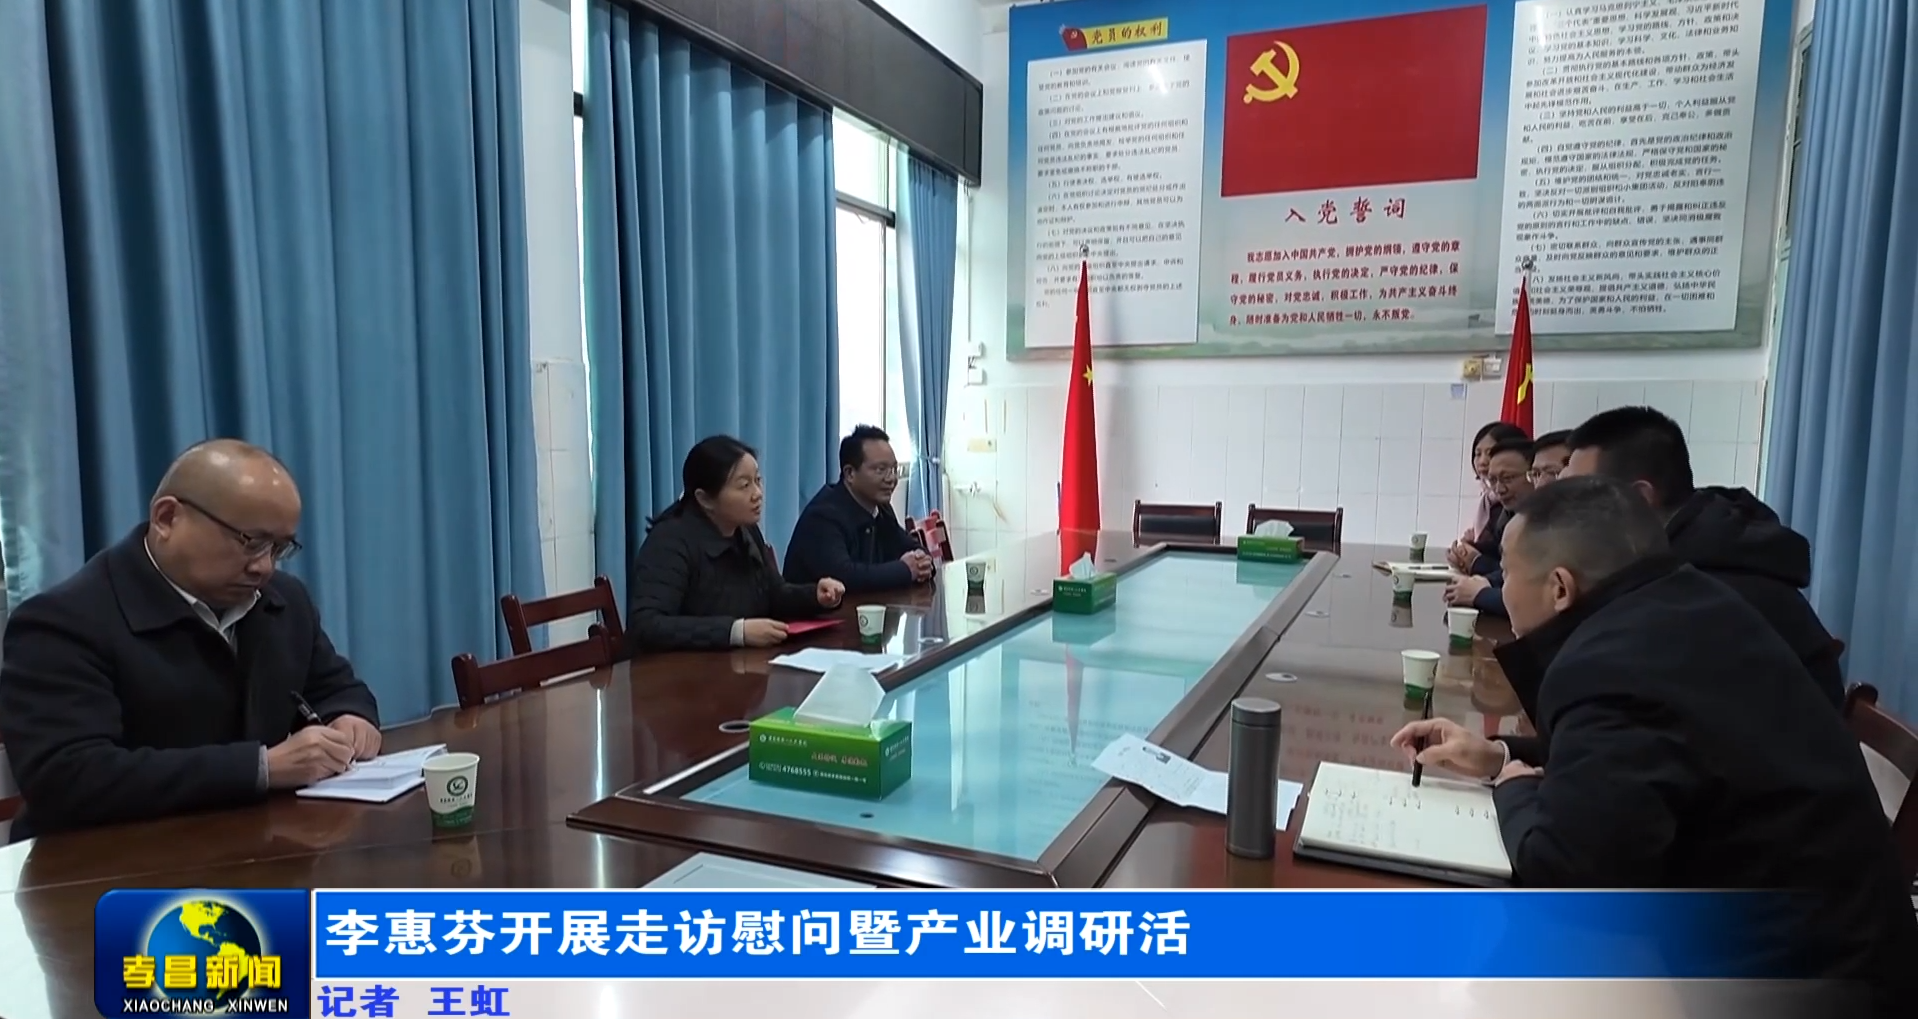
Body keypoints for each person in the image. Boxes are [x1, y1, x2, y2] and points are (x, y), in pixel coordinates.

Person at [1392, 477, 1918, 1014]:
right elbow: (1657, 756)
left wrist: (1513, 791)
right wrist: (1502, 756)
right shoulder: (1688, 604)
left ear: (1559, 588)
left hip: (1793, 982)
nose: (1501, 590)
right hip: (1835, 943)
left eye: (1507, 574)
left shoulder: (1606, 663)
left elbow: (1571, 877)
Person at [0, 440, 382, 840]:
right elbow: (67, 778)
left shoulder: (284, 601)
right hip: (103, 860)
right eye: (251, 542)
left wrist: (350, 717)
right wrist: (261, 767)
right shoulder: (61, 623)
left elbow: (336, 688)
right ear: (167, 518)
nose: (264, 567)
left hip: (250, 845)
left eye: (279, 548)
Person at [1562, 406, 1843, 707]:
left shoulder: (1704, 591)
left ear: (1639, 499)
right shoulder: (1691, 557)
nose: (1565, 515)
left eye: (1580, 497)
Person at [627, 435, 845, 652]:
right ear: (705, 499)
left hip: (736, 663)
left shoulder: (746, 529)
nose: (757, 494)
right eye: (744, 486)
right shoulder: (669, 541)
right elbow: (647, 624)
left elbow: (773, 593)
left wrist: (815, 596)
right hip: (677, 669)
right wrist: (735, 631)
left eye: (757, 480)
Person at [783, 425, 934, 594]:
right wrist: (905, 570)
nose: (891, 478)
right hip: (816, 611)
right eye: (880, 470)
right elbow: (845, 577)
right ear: (850, 474)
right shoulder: (823, 516)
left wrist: (922, 562)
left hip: (866, 606)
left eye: (894, 469)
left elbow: (910, 547)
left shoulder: (882, 509)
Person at [1447, 430, 1569, 616]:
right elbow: (1511, 566)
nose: (1499, 489)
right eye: (1536, 474)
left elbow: (1540, 599)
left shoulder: (1573, 527)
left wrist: (1480, 590)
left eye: (1552, 473)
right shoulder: (1510, 514)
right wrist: (1471, 557)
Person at [1447, 438, 1532, 577]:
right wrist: (1465, 551)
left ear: (1532, 475)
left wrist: (1476, 562)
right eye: (1492, 480)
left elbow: (1520, 576)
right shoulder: (1505, 513)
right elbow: (1498, 551)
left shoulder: (1549, 520)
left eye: (1507, 478)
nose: (1499, 489)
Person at [1461, 421, 1529, 543]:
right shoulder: (1488, 501)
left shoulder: (1517, 504)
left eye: (1490, 453)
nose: (1482, 461)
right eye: (1478, 454)